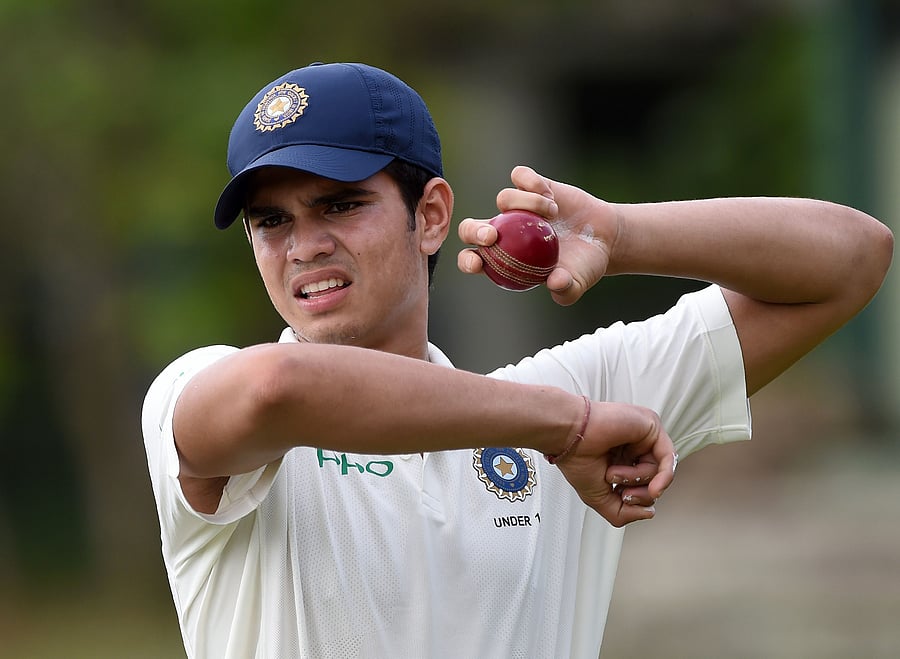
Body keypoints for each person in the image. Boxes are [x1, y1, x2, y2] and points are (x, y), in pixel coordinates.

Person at [141, 61, 893, 659]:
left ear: (431, 214)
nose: (303, 245)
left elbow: (855, 257)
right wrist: (565, 426)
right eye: (271, 221)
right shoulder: (197, 390)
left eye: (340, 204)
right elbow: (280, 387)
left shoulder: (563, 399)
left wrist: (621, 235)